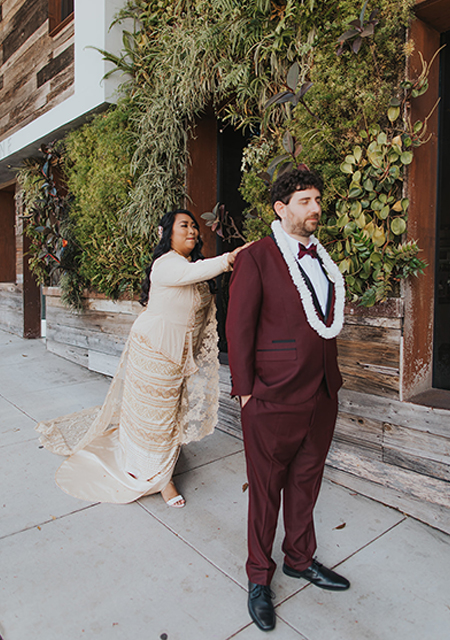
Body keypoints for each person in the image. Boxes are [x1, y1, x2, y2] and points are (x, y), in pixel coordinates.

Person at [37, 209, 246, 507]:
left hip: (176, 357)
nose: (192, 232)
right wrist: (228, 259)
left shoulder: (193, 265)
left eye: (195, 227)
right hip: (153, 350)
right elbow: (191, 275)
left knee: (167, 416)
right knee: (154, 419)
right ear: (167, 233)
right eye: (184, 225)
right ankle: (162, 480)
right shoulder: (165, 264)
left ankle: (158, 465)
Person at [226, 168, 348, 632]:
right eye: (304, 200)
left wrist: (328, 382)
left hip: (322, 392)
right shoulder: (257, 257)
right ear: (281, 209)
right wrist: (245, 393)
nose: (315, 208)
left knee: (306, 483)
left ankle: (300, 558)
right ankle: (260, 577)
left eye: (317, 199)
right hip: (272, 396)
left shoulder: (321, 257)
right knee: (265, 491)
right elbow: (238, 328)